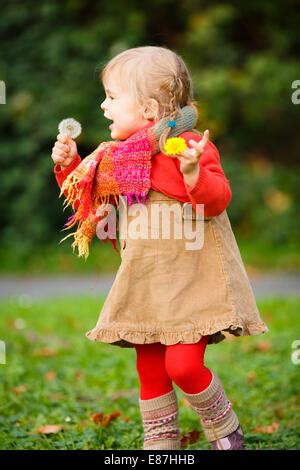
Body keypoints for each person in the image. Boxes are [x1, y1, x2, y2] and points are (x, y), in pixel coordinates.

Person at [51, 46, 268, 451]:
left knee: (183, 366)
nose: (103, 104)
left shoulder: (186, 147)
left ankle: (225, 430)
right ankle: (160, 443)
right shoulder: (118, 158)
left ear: (149, 109)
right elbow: (90, 196)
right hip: (147, 280)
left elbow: (216, 199)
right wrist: (70, 166)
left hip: (194, 282)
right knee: (150, 369)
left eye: (112, 97)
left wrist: (191, 173)